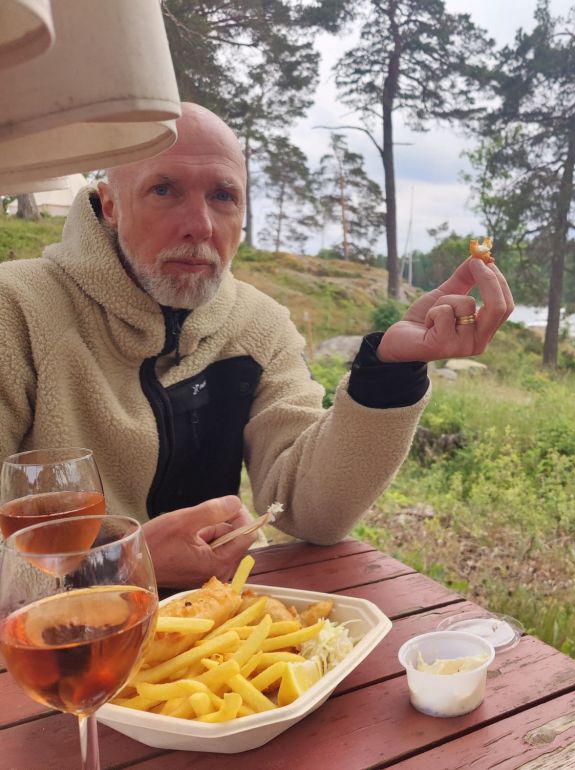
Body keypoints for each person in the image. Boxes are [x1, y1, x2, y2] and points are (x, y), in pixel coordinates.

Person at [0, 103, 513, 587]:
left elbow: (309, 510)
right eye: (164, 190)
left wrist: (390, 372)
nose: (200, 225)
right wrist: (121, 563)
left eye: (223, 196)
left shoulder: (259, 324)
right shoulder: (17, 308)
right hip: (59, 636)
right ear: (110, 205)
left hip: (222, 620)